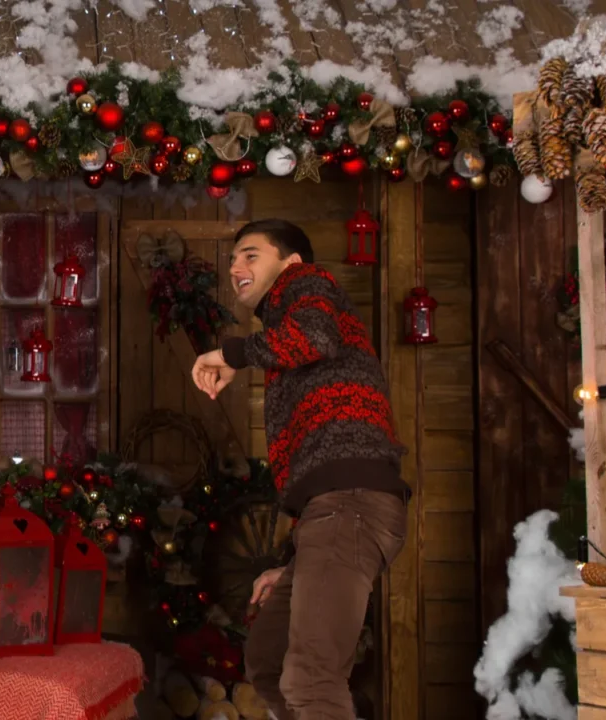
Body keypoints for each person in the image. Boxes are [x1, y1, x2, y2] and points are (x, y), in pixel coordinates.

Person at [190, 219, 409, 720]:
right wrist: (291, 559)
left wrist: (232, 352)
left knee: (310, 679)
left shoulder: (307, 284)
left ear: (288, 263)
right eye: (232, 259)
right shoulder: (282, 327)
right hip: (330, 513)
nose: (236, 267)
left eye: (251, 255)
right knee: (267, 661)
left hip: (351, 502)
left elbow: (314, 337)